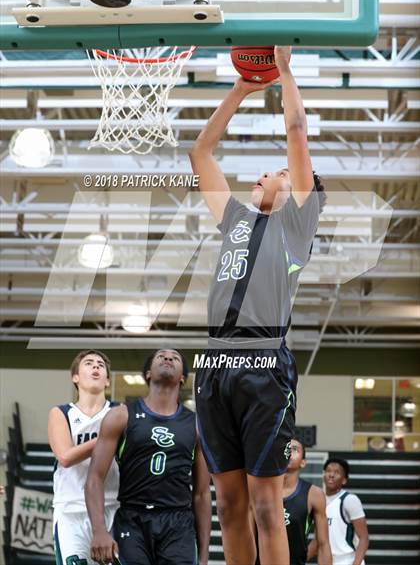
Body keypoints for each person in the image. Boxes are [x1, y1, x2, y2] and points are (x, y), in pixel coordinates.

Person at [189, 46, 325, 565]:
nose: (267, 174)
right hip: (216, 362)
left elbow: (295, 134)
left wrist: (285, 71)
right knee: (229, 504)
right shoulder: (236, 220)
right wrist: (242, 89)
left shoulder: (296, 226)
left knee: (267, 506)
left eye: (277, 173)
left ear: (294, 192)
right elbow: (200, 154)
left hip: (265, 361)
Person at [85, 349, 211, 565]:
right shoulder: (120, 416)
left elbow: (201, 493)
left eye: (175, 357)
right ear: (148, 374)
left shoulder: (198, 426)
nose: (168, 358)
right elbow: (94, 478)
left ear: (183, 378)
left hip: (178, 523)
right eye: (160, 356)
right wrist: (99, 531)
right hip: (132, 519)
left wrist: (204, 555)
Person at [48, 349, 120, 565]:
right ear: (75, 377)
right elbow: (66, 457)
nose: (96, 366)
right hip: (71, 509)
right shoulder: (61, 413)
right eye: (89, 363)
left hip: (112, 507)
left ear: (108, 380)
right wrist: (107, 437)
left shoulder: (120, 411)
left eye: (101, 365)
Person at [308, 457, 369, 565]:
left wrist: (356, 563)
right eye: (328, 471)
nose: (331, 474)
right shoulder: (319, 501)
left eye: (337, 472)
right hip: (326, 560)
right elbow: (317, 541)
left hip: (348, 560)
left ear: (344, 480)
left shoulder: (349, 500)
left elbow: (364, 538)